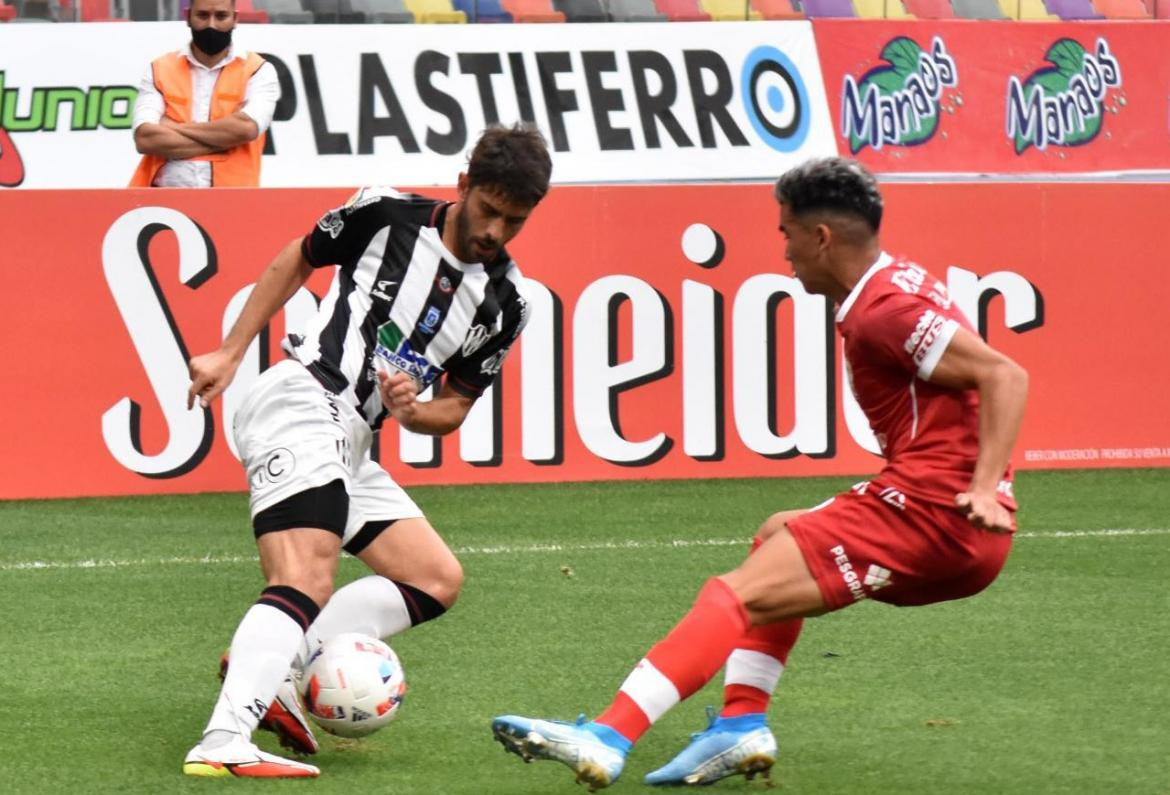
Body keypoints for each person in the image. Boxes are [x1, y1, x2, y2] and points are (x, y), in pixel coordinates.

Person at [491, 157, 1029, 791]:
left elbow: (1005, 375)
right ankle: (740, 723)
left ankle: (609, 736)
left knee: (734, 594)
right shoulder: (894, 283)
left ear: (821, 237)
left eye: (786, 234)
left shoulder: (884, 310)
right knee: (779, 534)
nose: (785, 253)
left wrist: (986, 486)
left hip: (932, 511)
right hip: (955, 526)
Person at [181, 123, 553, 778]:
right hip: (304, 397)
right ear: (463, 184)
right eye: (489, 210)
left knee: (435, 578)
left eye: (514, 220)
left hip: (354, 438)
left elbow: (455, 409)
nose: (496, 230)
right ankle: (223, 737)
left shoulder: (506, 302)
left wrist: (414, 410)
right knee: (305, 573)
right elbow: (299, 257)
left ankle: (282, 663)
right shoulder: (385, 212)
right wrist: (231, 349)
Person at [129, 0, 278, 188]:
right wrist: (227, 140)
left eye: (221, 16)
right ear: (188, 16)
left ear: (235, 19)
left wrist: (173, 127)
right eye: (203, 15)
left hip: (233, 199)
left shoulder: (258, 70)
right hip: (164, 202)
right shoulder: (159, 69)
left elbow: (246, 128)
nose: (211, 25)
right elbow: (146, 139)